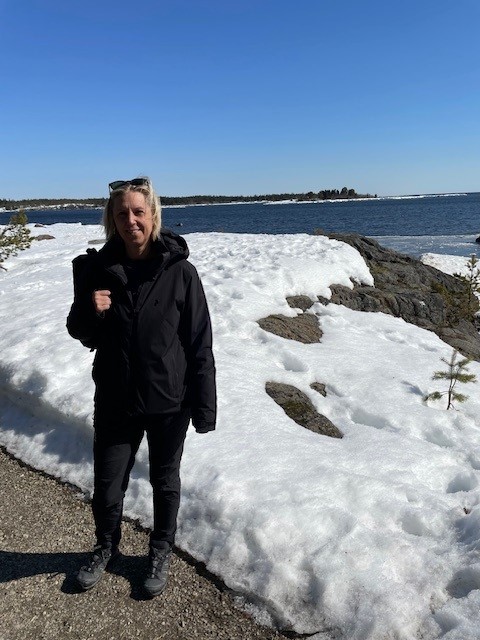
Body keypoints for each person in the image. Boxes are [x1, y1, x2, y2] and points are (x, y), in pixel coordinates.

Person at [66, 177, 216, 597]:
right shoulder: (96, 269)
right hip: (115, 397)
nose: (130, 220)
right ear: (111, 220)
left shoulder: (181, 273)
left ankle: (160, 548)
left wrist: (204, 409)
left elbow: (199, 342)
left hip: (169, 401)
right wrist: (88, 309)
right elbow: (81, 332)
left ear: (152, 215)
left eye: (138, 211)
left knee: (165, 480)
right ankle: (105, 546)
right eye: (121, 213)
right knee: (108, 483)